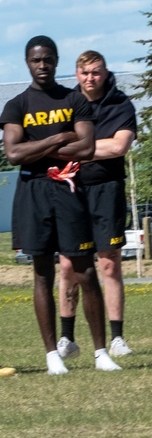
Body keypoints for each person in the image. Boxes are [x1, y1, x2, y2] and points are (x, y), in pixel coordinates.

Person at [1, 36, 121, 375]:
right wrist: (57, 138)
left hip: (69, 189)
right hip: (33, 192)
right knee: (42, 272)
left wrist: (36, 146)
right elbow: (12, 154)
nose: (42, 66)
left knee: (84, 270)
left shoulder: (74, 100)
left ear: (56, 61)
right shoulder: (16, 105)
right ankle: (52, 355)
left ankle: (101, 352)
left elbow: (85, 148)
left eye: (48, 59)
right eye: (36, 60)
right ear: (27, 62)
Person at [56, 50, 137, 361]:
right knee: (67, 265)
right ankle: (67, 338)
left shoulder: (121, 104)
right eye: (85, 72)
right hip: (70, 188)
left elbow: (119, 146)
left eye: (96, 72)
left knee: (109, 263)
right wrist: (92, 147)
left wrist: (78, 148)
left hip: (107, 189)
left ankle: (116, 337)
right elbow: (56, 145)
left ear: (105, 73)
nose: (91, 77)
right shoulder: (65, 103)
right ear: (76, 74)